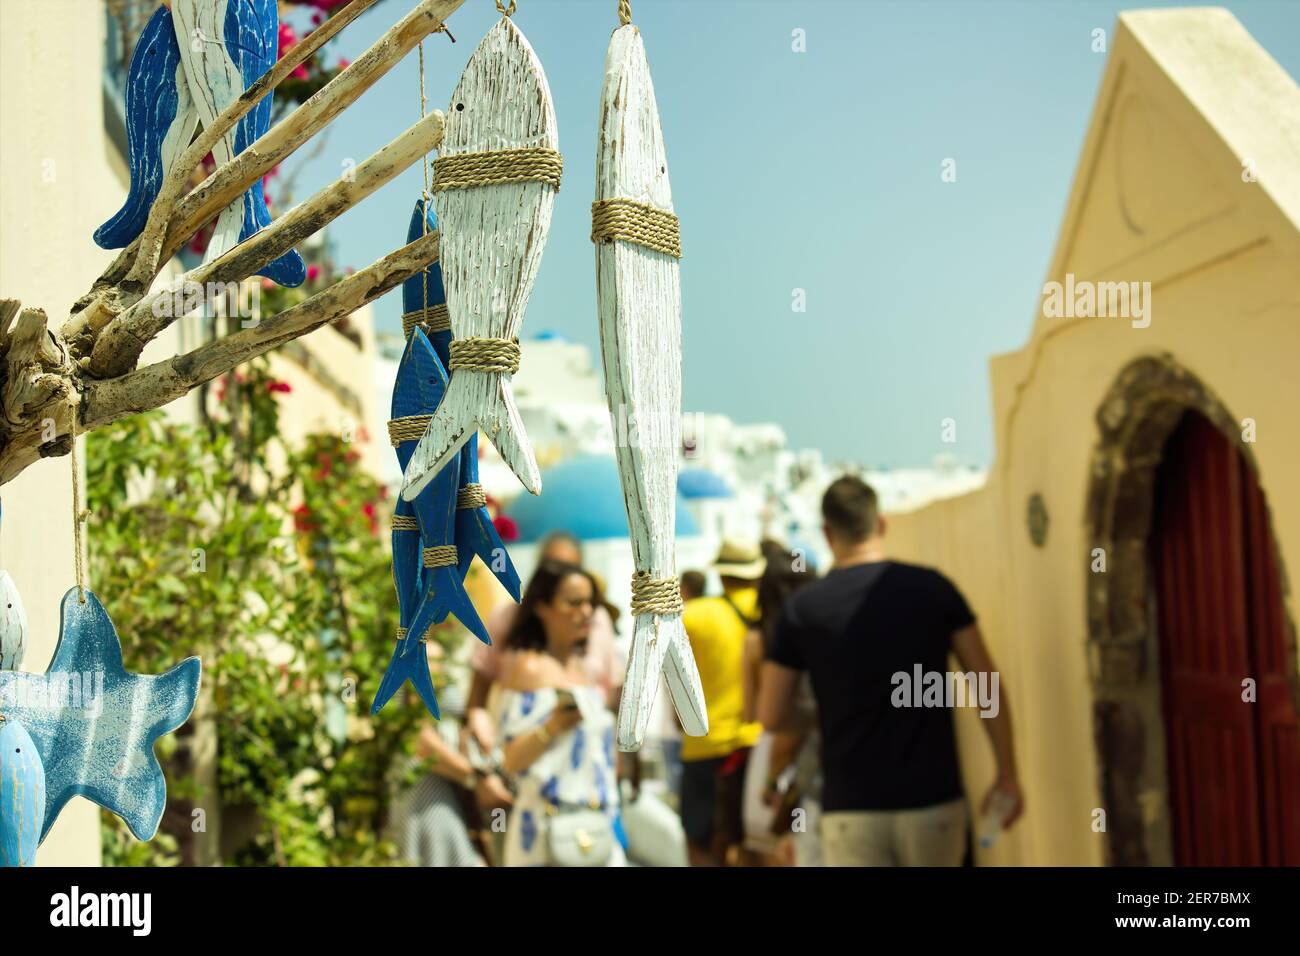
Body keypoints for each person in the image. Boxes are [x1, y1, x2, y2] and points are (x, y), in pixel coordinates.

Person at [758, 476, 1024, 867]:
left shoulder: (803, 611)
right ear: (881, 524)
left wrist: (828, 711)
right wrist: (1006, 773)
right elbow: (984, 683)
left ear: (827, 533)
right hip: (933, 802)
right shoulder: (934, 589)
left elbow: (771, 713)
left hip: (852, 808)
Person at [496, 560, 626, 866]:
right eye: (574, 602)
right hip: (546, 832)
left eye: (590, 602)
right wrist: (552, 726)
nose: (586, 612)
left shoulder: (582, 670)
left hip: (595, 828)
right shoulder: (530, 669)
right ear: (542, 607)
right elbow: (510, 760)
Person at [465, 531, 623, 753]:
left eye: (570, 568)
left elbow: (613, 690)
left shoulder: (597, 620)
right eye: (553, 567)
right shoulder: (508, 619)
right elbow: (479, 689)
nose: (562, 576)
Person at [679, 537, 766, 866]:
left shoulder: (695, 615)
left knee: (700, 843)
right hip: (755, 746)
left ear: (721, 573)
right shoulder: (771, 611)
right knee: (753, 844)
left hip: (704, 744)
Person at [740, 539, 820, 865]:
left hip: (774, 751)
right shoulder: (825, 631)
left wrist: (772, 778)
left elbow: (752, 712)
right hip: (823, 746)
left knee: (776, 848)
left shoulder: (756, 642)